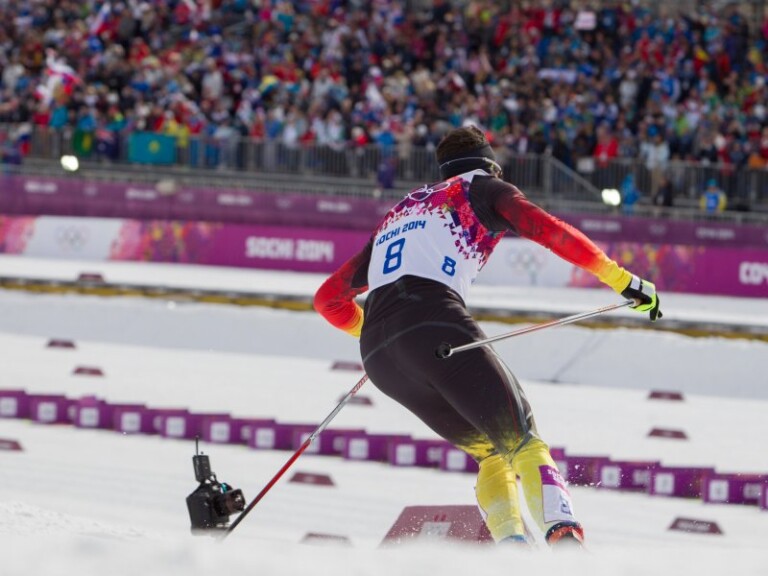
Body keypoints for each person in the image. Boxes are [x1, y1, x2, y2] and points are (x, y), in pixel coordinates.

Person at [313, 126, 662, 548]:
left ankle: (512, 554)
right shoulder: (482, 188)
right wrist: (622, 280)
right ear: (489, 165)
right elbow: (549, 231)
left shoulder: (402, 210)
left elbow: (327, 299)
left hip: (379, 357)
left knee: (491, 452)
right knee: (522, 440)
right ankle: (566, 543)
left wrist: (381, 335)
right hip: (432, 321)